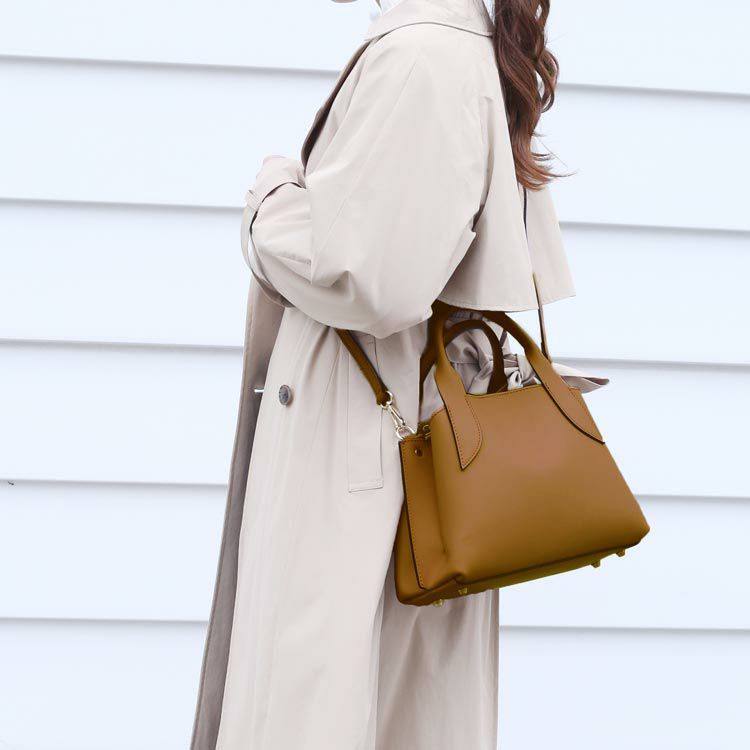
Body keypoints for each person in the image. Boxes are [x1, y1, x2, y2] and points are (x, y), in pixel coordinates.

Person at [191, 1, 607, 748]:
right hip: (399, 444)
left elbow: (372, 280)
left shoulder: (421, 56)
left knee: (321, 703)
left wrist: (271, 203)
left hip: (362, 447)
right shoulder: (451, 45)